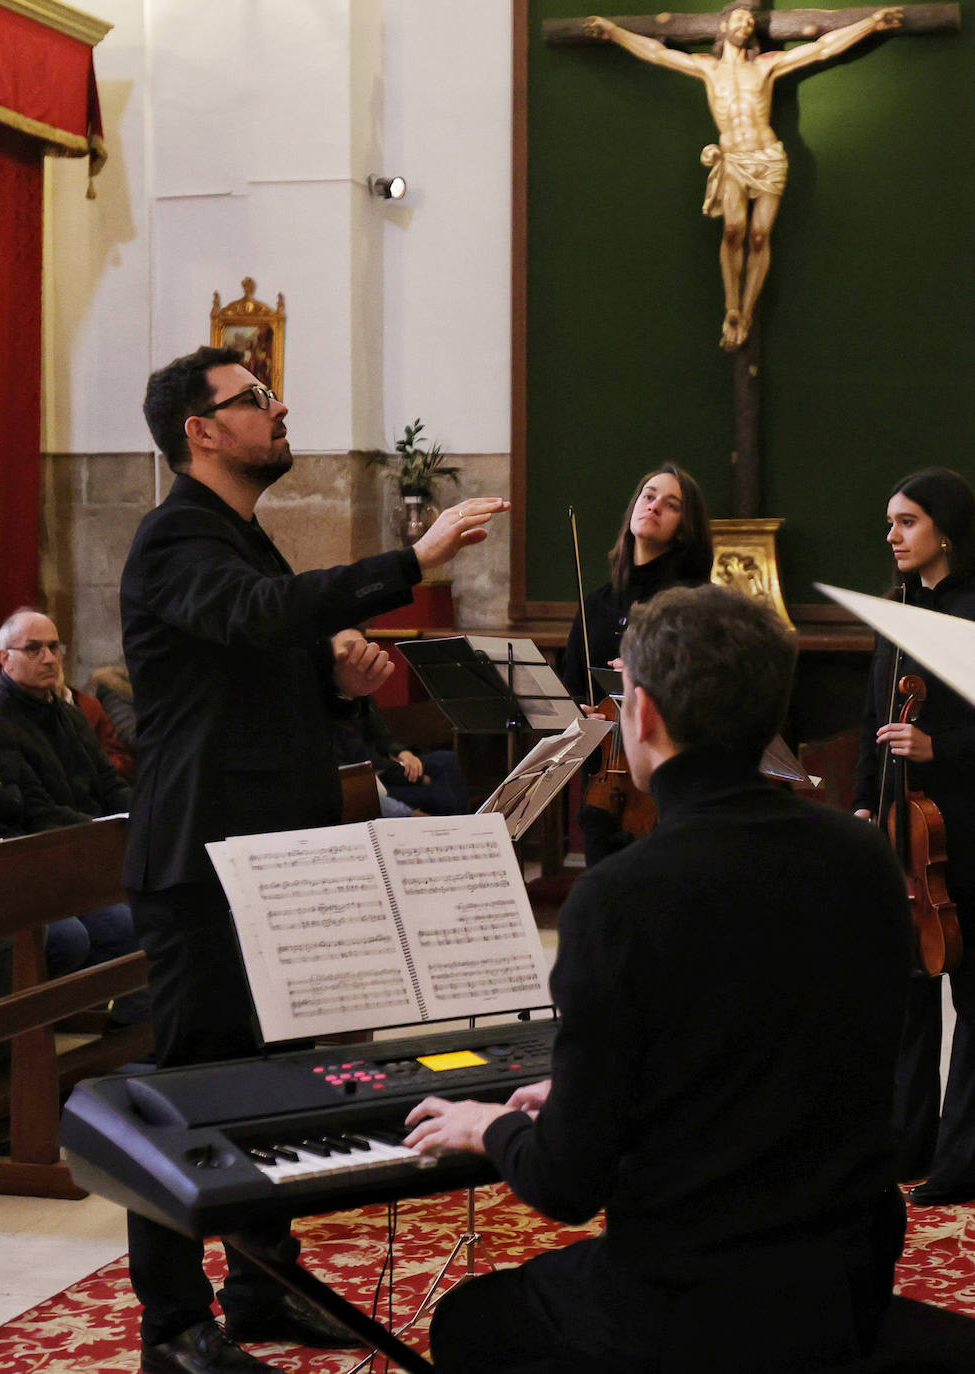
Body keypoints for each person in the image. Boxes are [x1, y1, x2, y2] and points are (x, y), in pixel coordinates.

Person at [404, 583, 912, 1374]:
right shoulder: (865, 860)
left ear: (639, 715)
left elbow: (567, 1185)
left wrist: (488, 1126)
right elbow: (769, 1057)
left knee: (472, 1321)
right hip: (845, 1281)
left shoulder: (621, 896)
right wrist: (602, 1099)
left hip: (692, 1303)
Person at [123, 344, 508, 1374]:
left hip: (276, 861)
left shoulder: (244, 542)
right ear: (201, 431)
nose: (278, 408)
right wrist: (406, 565)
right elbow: (249, 623)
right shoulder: (175, 540)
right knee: (191, 1098)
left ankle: (261, 1286)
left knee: (277, 1088)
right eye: (254, 400)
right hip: (201, 864)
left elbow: (248, 668)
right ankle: (172, 1328)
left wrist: (330, 678)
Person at [585, 5, 904, 349]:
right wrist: (614, 32)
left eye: (749, 20)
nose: (745, 22)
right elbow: (657, 54)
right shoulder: (707, 68)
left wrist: (872, 24)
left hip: (767, 157)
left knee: (758, 236)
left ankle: (746, 313)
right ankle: (731, 306)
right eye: (738, 17)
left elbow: (824, 47)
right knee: (733, 230)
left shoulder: (765, 66)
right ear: (723, 26)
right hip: (734, 159)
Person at [853, 467, 975, 1205]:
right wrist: (866, 802)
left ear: (946, 531)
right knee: (907, 990)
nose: (892, 536)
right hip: (905, 833)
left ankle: (963, 1158)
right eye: (892, 522)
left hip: (967, 829)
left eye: (907, 523)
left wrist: (944, 748)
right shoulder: (895, 608)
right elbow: (876, 718)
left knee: (973, 996)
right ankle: (907, 1141)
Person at [0, 610, 142, 1005]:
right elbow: (38, 812)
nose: (50, 659)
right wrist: (110, 832)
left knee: (165, 910)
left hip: (90, 853)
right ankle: (118, 1026)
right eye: (33, 649)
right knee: (128, 926)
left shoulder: (68, 714)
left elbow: (110, 782)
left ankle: (132, 1028)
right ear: (5, 659)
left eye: (54, 647)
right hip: (47, 862)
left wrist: (143, 817)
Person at [562, 463, 712, 866]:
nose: (654, 506)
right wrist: (579, 708)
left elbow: (707, 692)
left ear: (684, 527)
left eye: (672, 504)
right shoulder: (595, 603)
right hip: (603, 781)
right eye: (648, 496)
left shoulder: (694, 602)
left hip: (670, 787)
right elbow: (571, 684)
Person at [330, 688, 468, 818]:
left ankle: (458, 825)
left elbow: (382, 736)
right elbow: (353, 764)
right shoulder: (325, 705)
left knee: (446, 760)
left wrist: (404, 754)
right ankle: (461, 828)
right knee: (442, 793)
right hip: (368, 781)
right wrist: (421, 779)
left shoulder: (361, 695)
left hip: (385, 768)